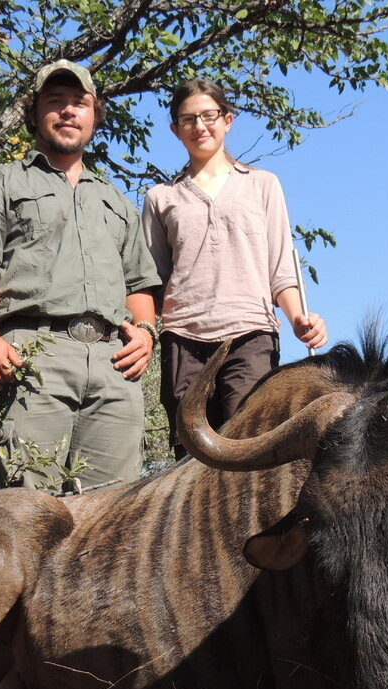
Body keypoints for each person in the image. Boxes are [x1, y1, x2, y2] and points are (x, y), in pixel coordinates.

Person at [0, 60, 161, 491]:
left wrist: (146, 332)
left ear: (94, 116)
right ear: (35, 113)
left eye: (79, 103)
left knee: (113, 519)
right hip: (32, 355)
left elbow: (138, 282)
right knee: (26, 511)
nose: (68, 111)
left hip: (114, 366)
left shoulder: (116, 200)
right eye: (55, 101)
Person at [142, 79, 327, 459]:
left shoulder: (263, 185)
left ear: (227, 120)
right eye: (188, 119)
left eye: (209, 116)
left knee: (252, 448)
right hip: (183, 338)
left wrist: (298, 319)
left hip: (251, 333)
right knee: (190, 458)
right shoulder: (160, 198)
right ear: (175, 130)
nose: (200, 126)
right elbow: (150, 280)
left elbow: (281, 269)